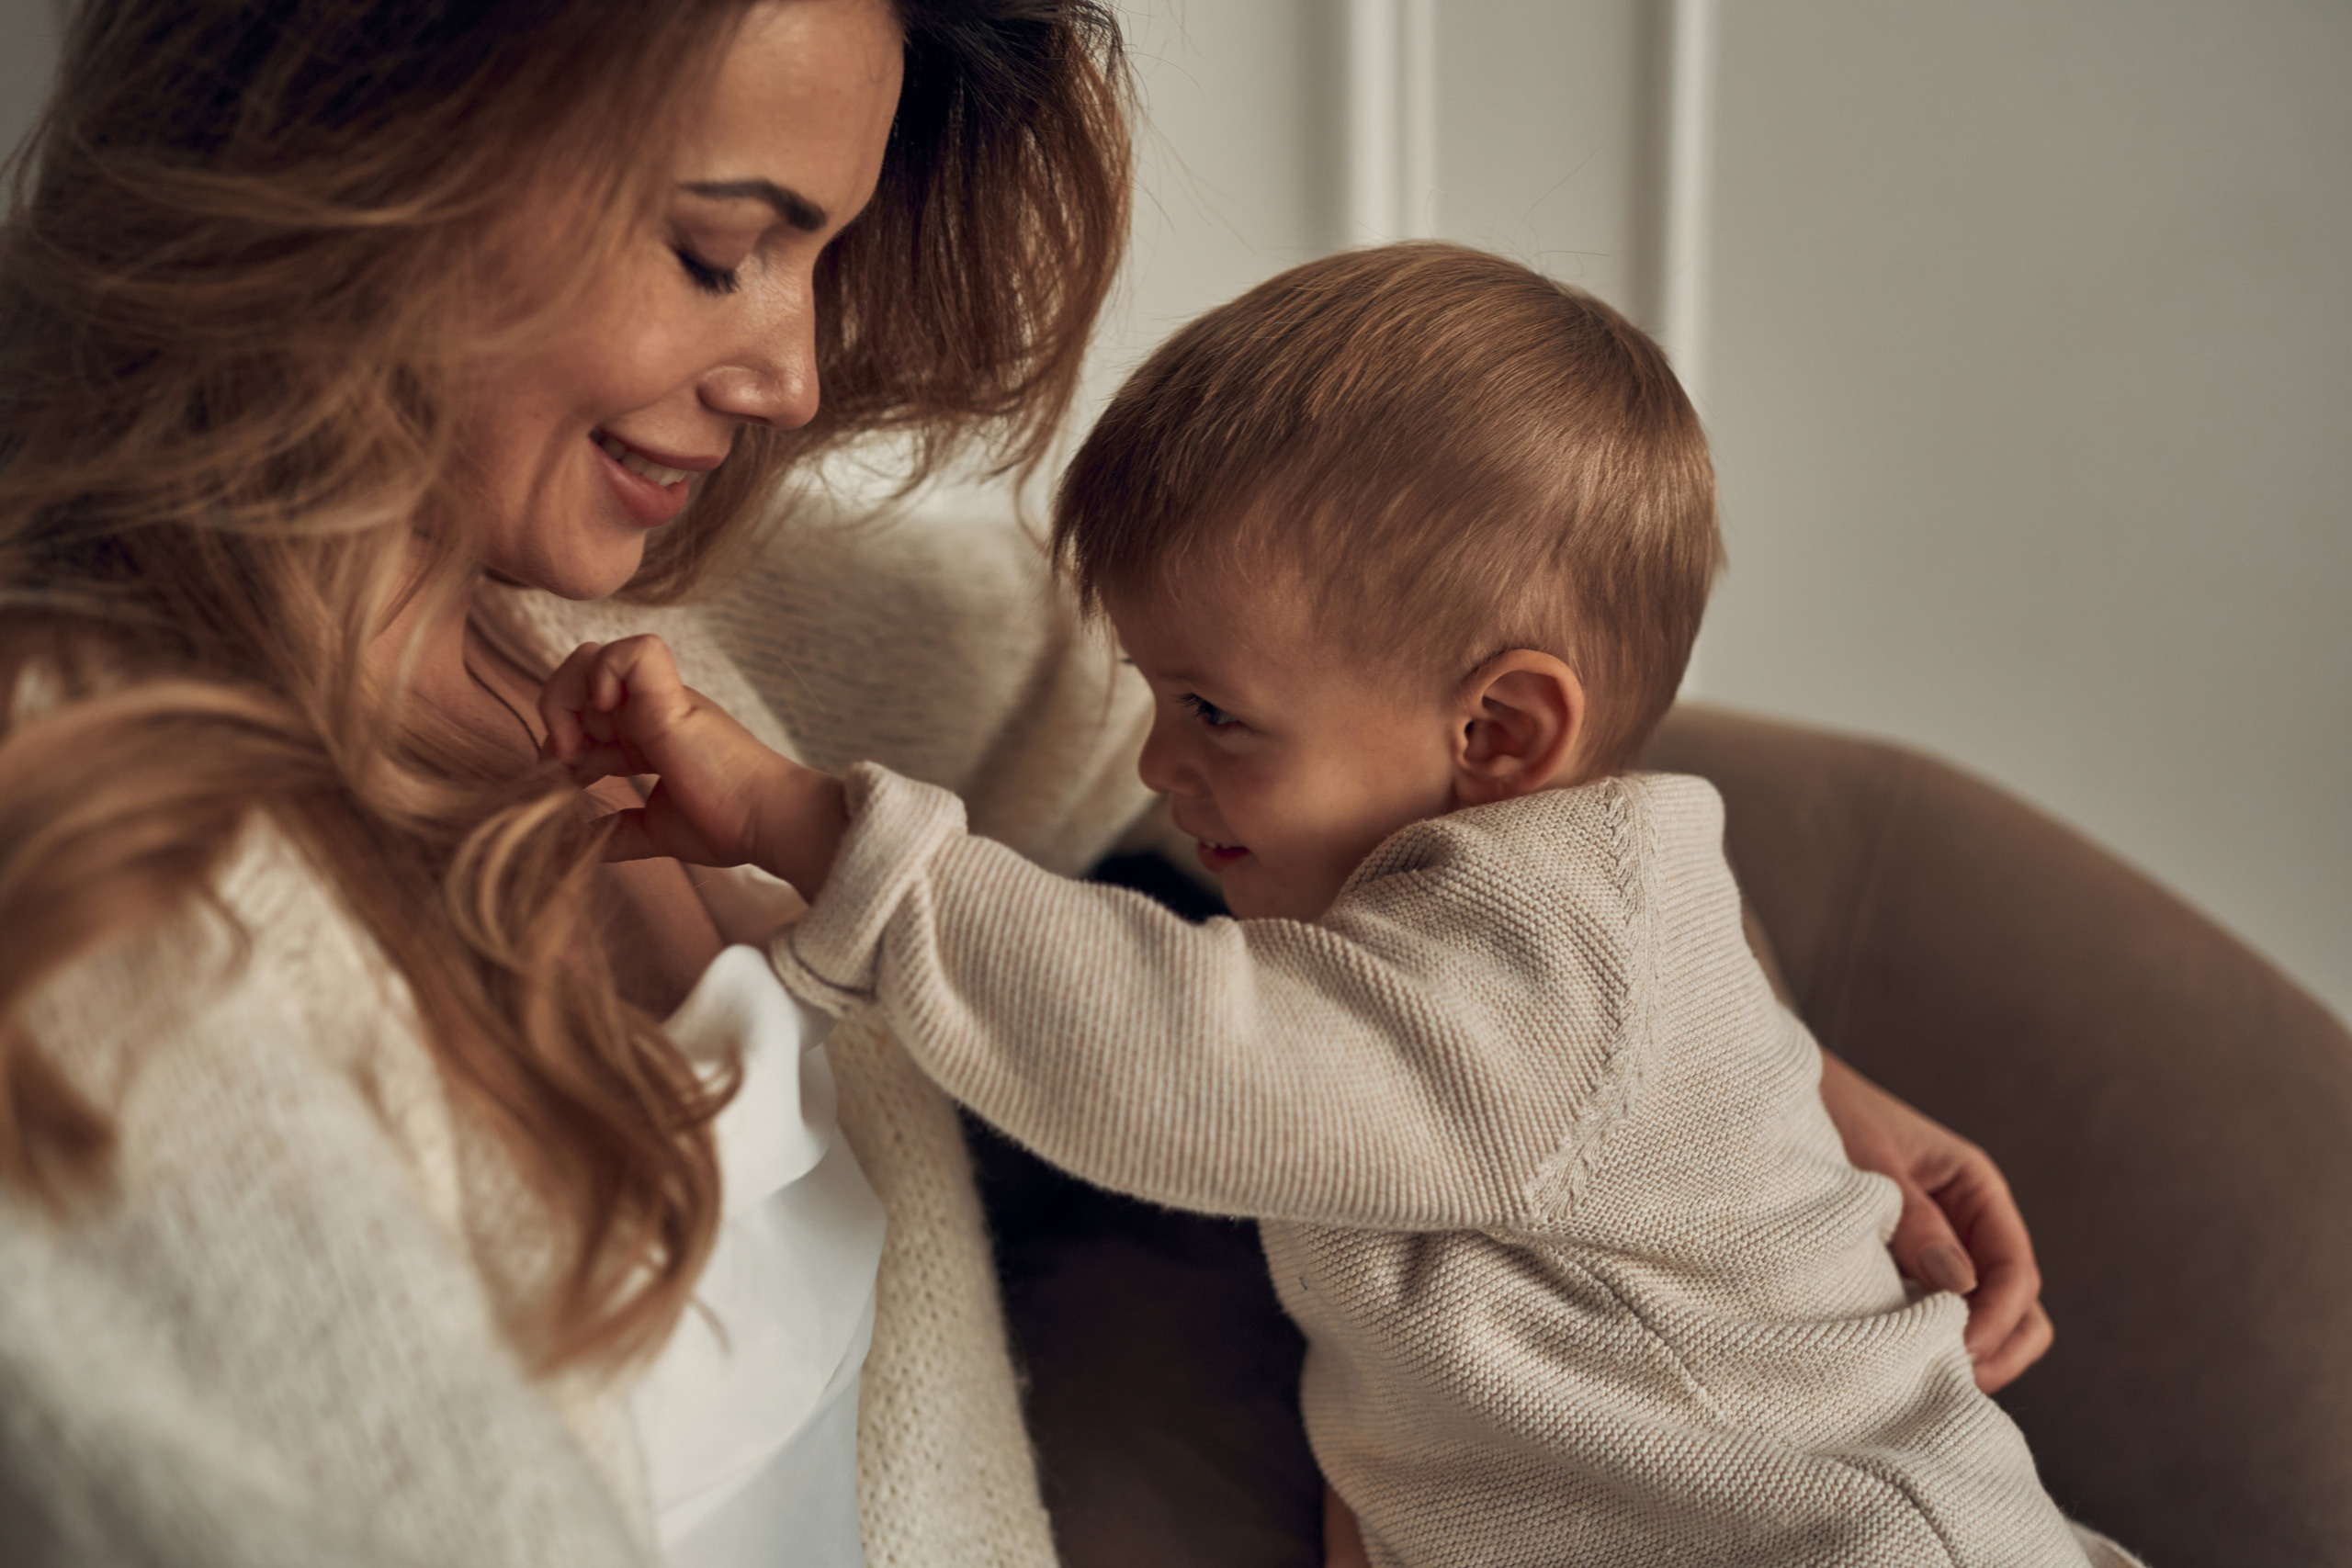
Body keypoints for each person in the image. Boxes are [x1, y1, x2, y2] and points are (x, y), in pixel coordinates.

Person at [0, 1, 2043, 1562]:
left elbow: (1370, 756)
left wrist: (1750, 1085)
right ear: (362, 144)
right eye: (724, 250)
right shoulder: (114, 889)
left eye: (819, 263)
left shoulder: (670, 618)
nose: (792, 377)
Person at [534, 244, 2137, 1566]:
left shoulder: (1539, 961)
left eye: (1216, 715)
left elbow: (1191, 1063)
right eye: (1155, 694)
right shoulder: (1507, 909)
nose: (1160, 763)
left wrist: (809, 829)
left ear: (1499, 735)